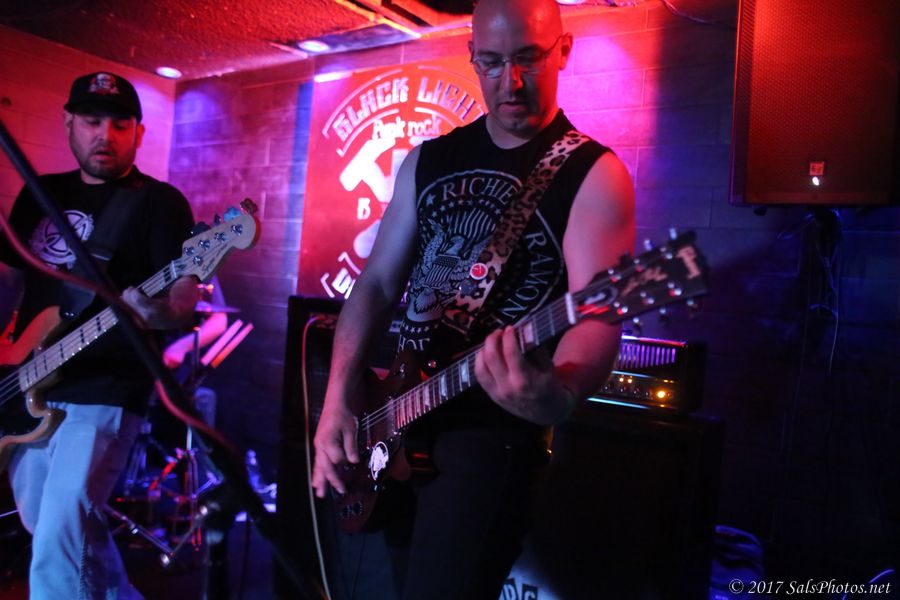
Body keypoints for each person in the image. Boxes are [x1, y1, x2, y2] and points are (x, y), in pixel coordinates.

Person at [311, 0, 636, 597]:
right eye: (490, 62)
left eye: (528, 59)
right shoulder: (427, 160)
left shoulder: (593, 172)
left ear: (562, 51)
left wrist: (561, 394)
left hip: (489, 436)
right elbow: (376, 284)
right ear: (471, 58)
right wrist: (337, 402)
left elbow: (597, 311)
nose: (510, 82)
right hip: (396, 418)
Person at [0, 72, 196, 599]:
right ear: (69, 122)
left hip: (107, 386)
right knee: (51, 526)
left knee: (61, 532)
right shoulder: (39, 193)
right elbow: (10, 284)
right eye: (91, 121)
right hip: (25, 383)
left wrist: (157, 312)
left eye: (120, 124)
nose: (104, 135)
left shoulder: (159, 203)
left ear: (139, 132)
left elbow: (183, 299)